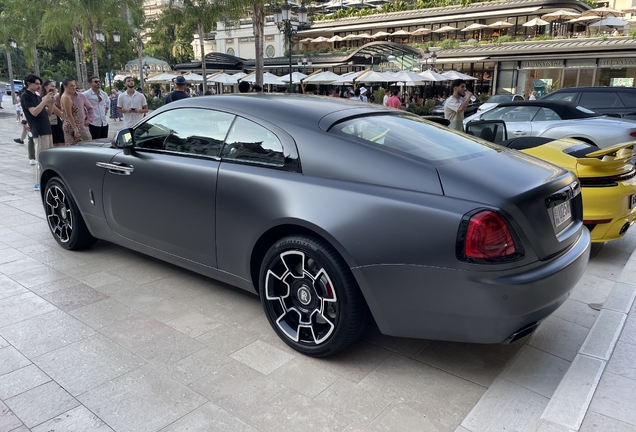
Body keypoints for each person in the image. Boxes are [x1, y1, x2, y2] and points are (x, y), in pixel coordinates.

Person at [20, 74, 54, 191]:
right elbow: (34, 112)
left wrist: (51, 102)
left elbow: (48, 113)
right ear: (29, 83)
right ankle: (38, 182)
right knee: (41, 157)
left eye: (40, 84)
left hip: (47, 129)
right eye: (37, 84)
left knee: (48, 156)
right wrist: (44, 101)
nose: (39, 86)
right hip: (39, 130)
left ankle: (45, 180)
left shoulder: (37, 96)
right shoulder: (26, 96)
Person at [58, 77, 93, 143]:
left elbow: (90, 107)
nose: (73, 87)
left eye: (74, 85)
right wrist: (76, 130)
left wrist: (89, 119)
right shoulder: (66, 97)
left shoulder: (70, 96)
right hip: (72, 126)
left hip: (80, 126)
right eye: (71, 86)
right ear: (65, 87)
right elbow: (69, 115)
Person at [43, 80, 65, 147]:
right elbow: (57, 112)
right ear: (46, 87)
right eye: (52, 86)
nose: (54, 88)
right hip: (53, 123)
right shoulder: (45, 98)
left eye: (55, 86)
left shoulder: (54, 97)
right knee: (59, 144)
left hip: (54, 122)